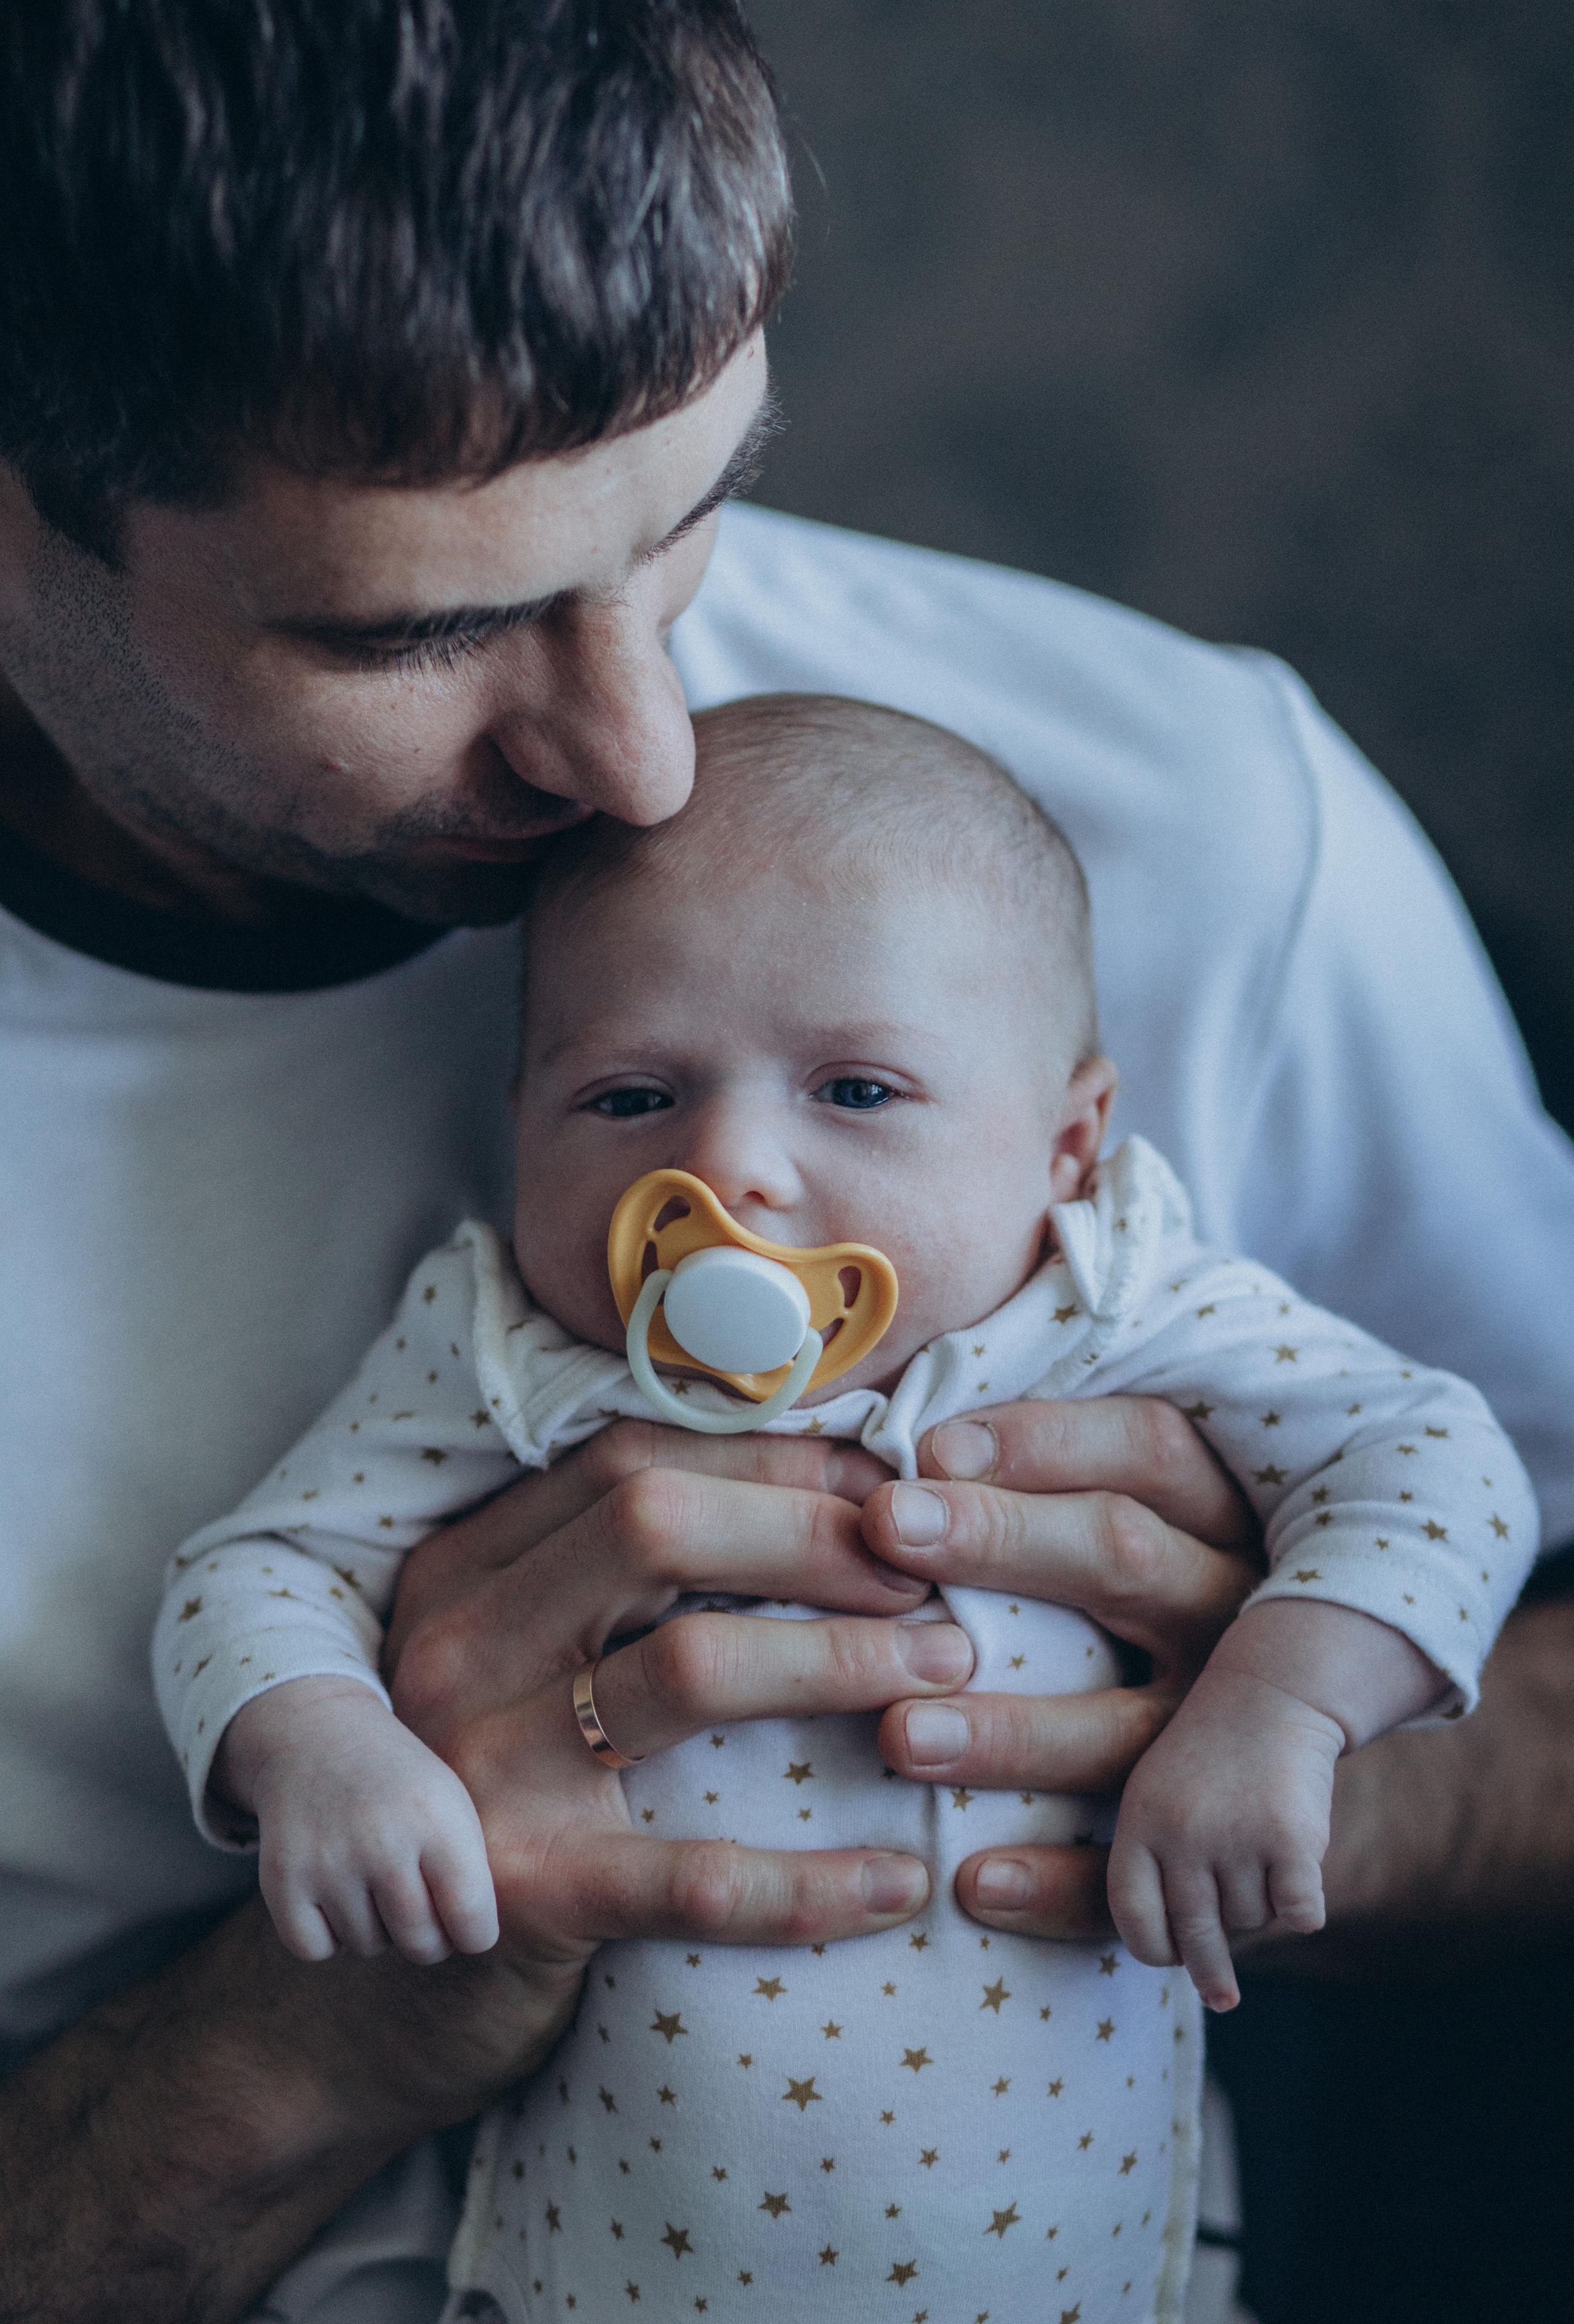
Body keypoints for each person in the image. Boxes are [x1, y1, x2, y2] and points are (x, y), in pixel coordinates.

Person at [1, 7, 1572, 2322]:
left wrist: (1260, 1750)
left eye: (692, 508)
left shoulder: (1204, 834)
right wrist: (294, 2041)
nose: (639, 756)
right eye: (414, 627)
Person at [152, 694, 1536, 2324]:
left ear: (1070, 1148)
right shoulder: (507, 1354)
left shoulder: (1121, 1300)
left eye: (859, 1093)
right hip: (587, 2264)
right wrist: (324, 1747)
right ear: (517, 1124)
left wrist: (1282, 1705)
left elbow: (1436, 1457)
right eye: (627, 1100)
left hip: (1075, 2265)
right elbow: (261, 1569)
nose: (734, 1168)